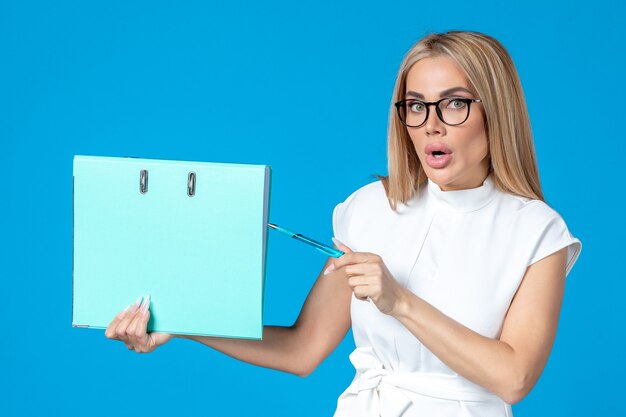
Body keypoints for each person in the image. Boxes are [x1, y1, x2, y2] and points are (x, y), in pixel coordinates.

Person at [105, 31, 582, 416]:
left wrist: (399, 301)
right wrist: (181, 323)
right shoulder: (370, 207)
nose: (431, 125)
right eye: (416, 106)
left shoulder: (538, 232)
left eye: (454, 103)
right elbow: (302, 350)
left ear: (494, 111)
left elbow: (514, 378)